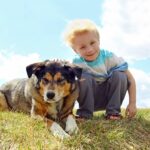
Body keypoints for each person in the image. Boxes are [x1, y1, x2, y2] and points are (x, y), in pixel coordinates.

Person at [63, 19, 137, 120]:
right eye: (82, 47)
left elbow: (130, 79)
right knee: (82, 77)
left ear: (99, 41)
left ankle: (113, 112)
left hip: (110, 97)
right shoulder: (76, 64)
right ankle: (85, 113)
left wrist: (132, 103)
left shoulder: (109, 57)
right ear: (75, 50)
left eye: (92, 43)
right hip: (90, 99)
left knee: (120, 74)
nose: (89, 49)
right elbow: (68, 87)